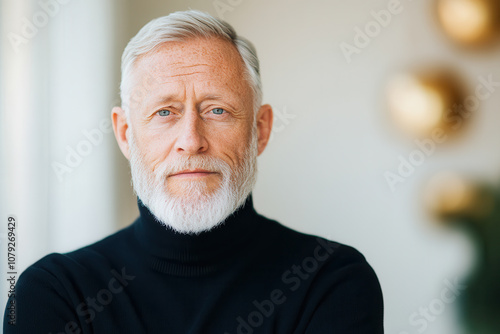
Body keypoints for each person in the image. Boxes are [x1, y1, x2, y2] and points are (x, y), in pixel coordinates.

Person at [3, 9, 384, 333]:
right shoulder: (53, 294)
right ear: (125, 134)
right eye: (164, 112)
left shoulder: (332, 281)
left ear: (260, 130)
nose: (191, 140)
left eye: (217, 110)